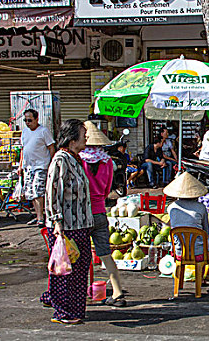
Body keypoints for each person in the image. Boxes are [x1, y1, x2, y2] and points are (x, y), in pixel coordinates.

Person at [40, 119, 93, 325]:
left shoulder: (75, 159)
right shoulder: (60, 160)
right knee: (64, 272)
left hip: (80, 226)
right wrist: (57, 223)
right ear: (72, 139)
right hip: (66, 228)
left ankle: (76, 310)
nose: (86, 139)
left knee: (79, 271)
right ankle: (62, 312)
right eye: (83, 135)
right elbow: (53, 194)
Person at [79, 121, 126, 307]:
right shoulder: (107, 161)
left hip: (82, 214)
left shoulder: (78, 160)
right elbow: (108, 189)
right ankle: (117, 292)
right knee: (106, 254)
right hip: (100, 211)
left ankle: (80, 292)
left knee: (82, 256)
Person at [164, 172, 209, 263]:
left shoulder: (171, 207)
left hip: (179, 253)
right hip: (200, 254)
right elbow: (206, 231)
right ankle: (200, 276)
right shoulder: (201, 207)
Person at [18, 109, 55, 227]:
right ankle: (39, 215)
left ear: (36, 119)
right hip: (28, 166)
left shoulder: (43, 131)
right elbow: (23, 149)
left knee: (38, 191)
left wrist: (51, 164)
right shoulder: (24, 132)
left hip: (41, 165)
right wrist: (20, 166)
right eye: (25, 120)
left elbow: (51, 147)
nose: (28, 123)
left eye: (30, 120)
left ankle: (41, 217)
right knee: (30, 192)